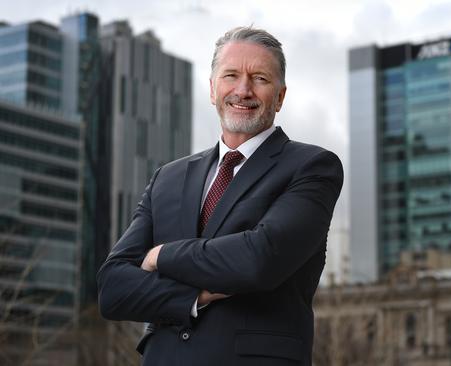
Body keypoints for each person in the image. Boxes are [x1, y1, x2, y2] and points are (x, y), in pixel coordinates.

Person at [97, 26, 343, 366]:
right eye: (231, 75)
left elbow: (259, 259)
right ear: (213, 89)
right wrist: (194, 296)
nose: (243, 90)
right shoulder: (168, 177)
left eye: (259, 78)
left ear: (281, 96)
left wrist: (161, 256)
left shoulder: (313, 167)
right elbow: (112, 288)